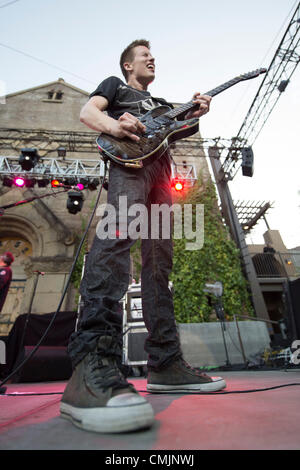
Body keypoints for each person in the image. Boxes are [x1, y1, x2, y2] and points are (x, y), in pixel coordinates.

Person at [60, 39, 226, 433]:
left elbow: (178, 129)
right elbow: (88, 112)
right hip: (130, 166)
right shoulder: (116, 86)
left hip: (162, 175)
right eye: (144, 56)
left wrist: (197, 110)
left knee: (159, 266)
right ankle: (92, 363)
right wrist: (116, 125)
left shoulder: (165, 104)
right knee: (117, 239)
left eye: (153, 56)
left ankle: (165, 363)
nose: (152, 59)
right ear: (127, 65)